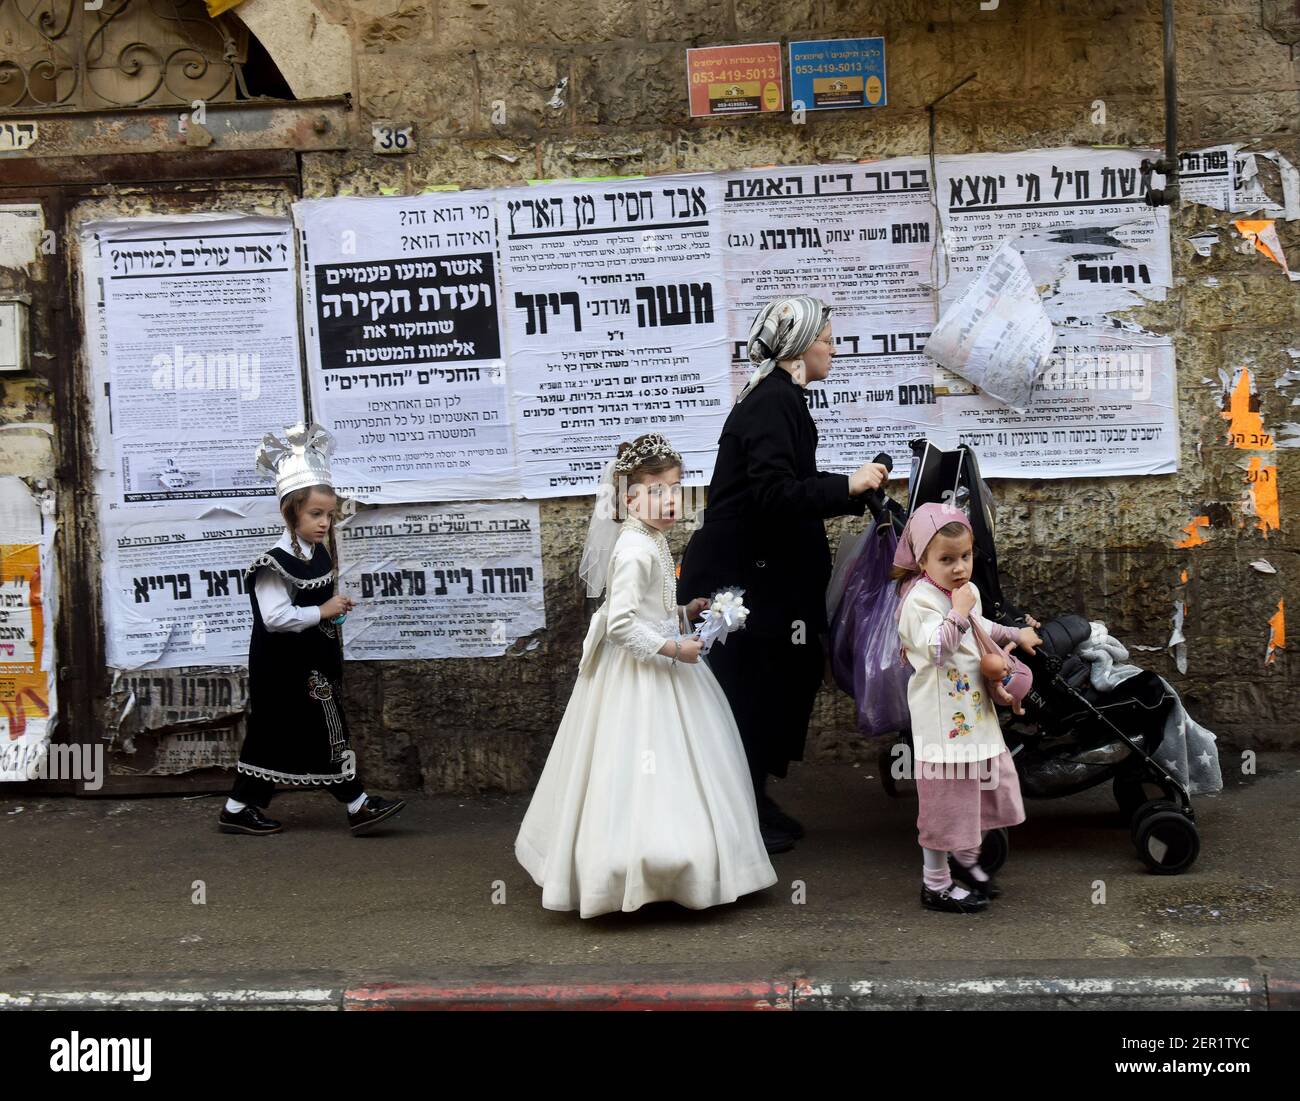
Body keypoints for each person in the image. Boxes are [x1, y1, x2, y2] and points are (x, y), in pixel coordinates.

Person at [515, 432, 777, 917]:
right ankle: (638, 866)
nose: (670, 499)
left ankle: (676, 866)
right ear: (630, 497)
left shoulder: (650, 539)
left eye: (675, 488)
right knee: (638, 766)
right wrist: (675, 647)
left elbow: (643, 610)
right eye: (656, 490)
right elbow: (618, 625)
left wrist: (682, 611)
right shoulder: (634, 548)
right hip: (640, 671)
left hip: (660, 656)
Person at [677, 295, 888, 853]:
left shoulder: (781, 398)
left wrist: (850, 491)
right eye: (826, 338)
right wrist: (847, 485)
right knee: (755, 691)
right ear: (799, 346)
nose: (833, 348)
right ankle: (741, 811)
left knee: (782, 681)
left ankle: (753, 798)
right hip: (747, 578)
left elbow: (790, 487)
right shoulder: (772, 402)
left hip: (766, 576)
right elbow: (773, 495)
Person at [218, 421, 406, 837]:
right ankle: (357, 804)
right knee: (325, 726)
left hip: (313, 661)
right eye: (315, 514)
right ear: (291, 513)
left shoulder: (317, 551)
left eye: (329, 515)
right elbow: (276, 618)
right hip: (282, 666)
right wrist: (322, 610)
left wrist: (333, 613)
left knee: (273, 733)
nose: (324, 523)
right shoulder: (274, 564)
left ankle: (236, 808)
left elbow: (315, 606)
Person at [892, 503, 1041, 913]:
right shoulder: (918, 602)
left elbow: (981, 626)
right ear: (922, 559)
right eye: (946, 559)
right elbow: (938, 648)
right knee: (945, 808)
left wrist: (1015, 633)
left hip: (971, 719)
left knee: (972, 798)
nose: (959, 568)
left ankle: (968, 862)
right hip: (942, 729)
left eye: (965, 557)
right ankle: (935, 884)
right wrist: (957, 611)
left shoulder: (959, 593)